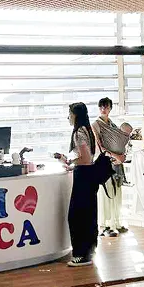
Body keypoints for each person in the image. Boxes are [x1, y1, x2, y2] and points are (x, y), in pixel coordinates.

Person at [55, 102, 98, 267]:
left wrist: (71, 161)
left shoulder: (79, 133)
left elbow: (85, 158)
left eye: (70, 114)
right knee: (87, 216)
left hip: (84, 177)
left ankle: (80, 255)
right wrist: (73, 164)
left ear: (75, 115)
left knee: (77, 217)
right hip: (89, 175)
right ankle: (88, 252)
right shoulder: (87, 130)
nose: (68, 117)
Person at [92, 97, 129, 237]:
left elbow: (120, 141)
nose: (103, 109)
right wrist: (116, 156)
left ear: (110, 108)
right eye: (101, 107)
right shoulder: (96, 125)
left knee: (117, 192)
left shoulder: (112, 124)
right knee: (106, 193)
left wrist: (121, 156)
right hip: (104, 163)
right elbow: (99, 146)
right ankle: (106, 225)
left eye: (106, 107)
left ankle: (116, 222)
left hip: (116, 163)